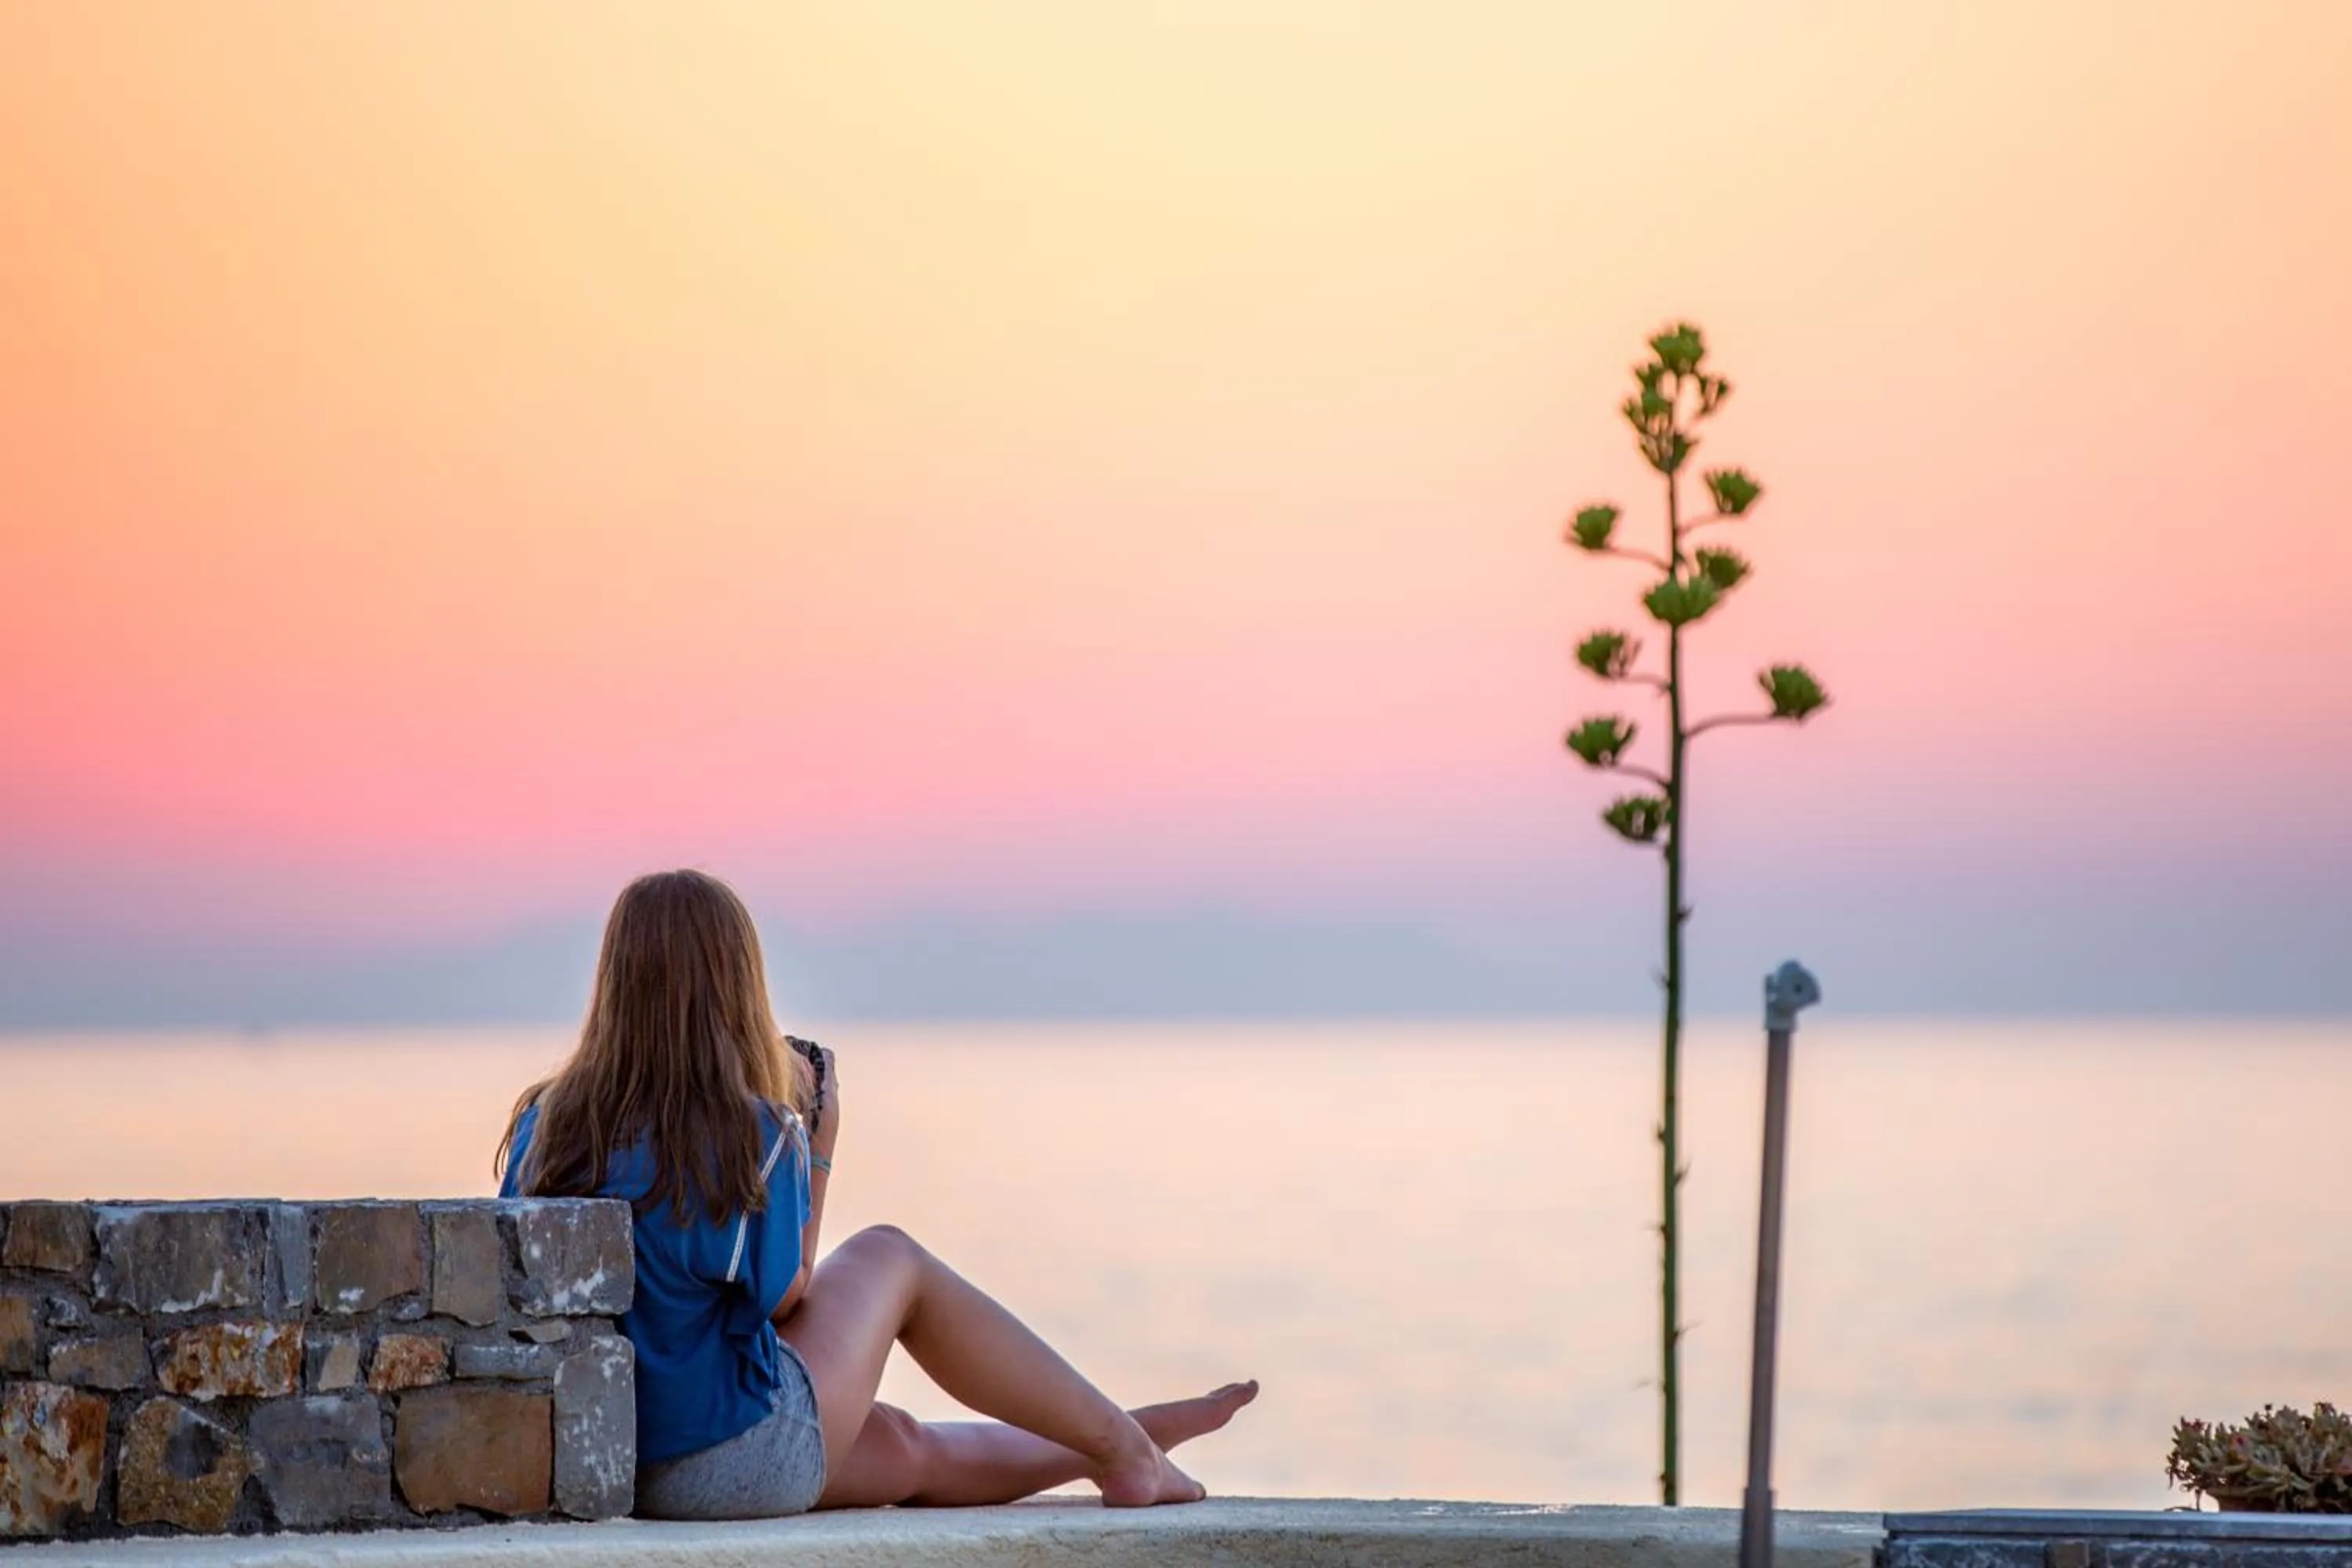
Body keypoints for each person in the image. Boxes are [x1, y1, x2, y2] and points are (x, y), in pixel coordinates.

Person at [496, 869, 1256, 1519]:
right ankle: (1119, 1441)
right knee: (891, 1255)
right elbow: (788, 1297)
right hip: (721, 1455)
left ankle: (1117, 1442)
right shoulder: (748, 1132)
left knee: (902, 1443)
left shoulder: (547, 1122)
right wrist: (818, 1141)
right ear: (737, 983)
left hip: (604, 1459)